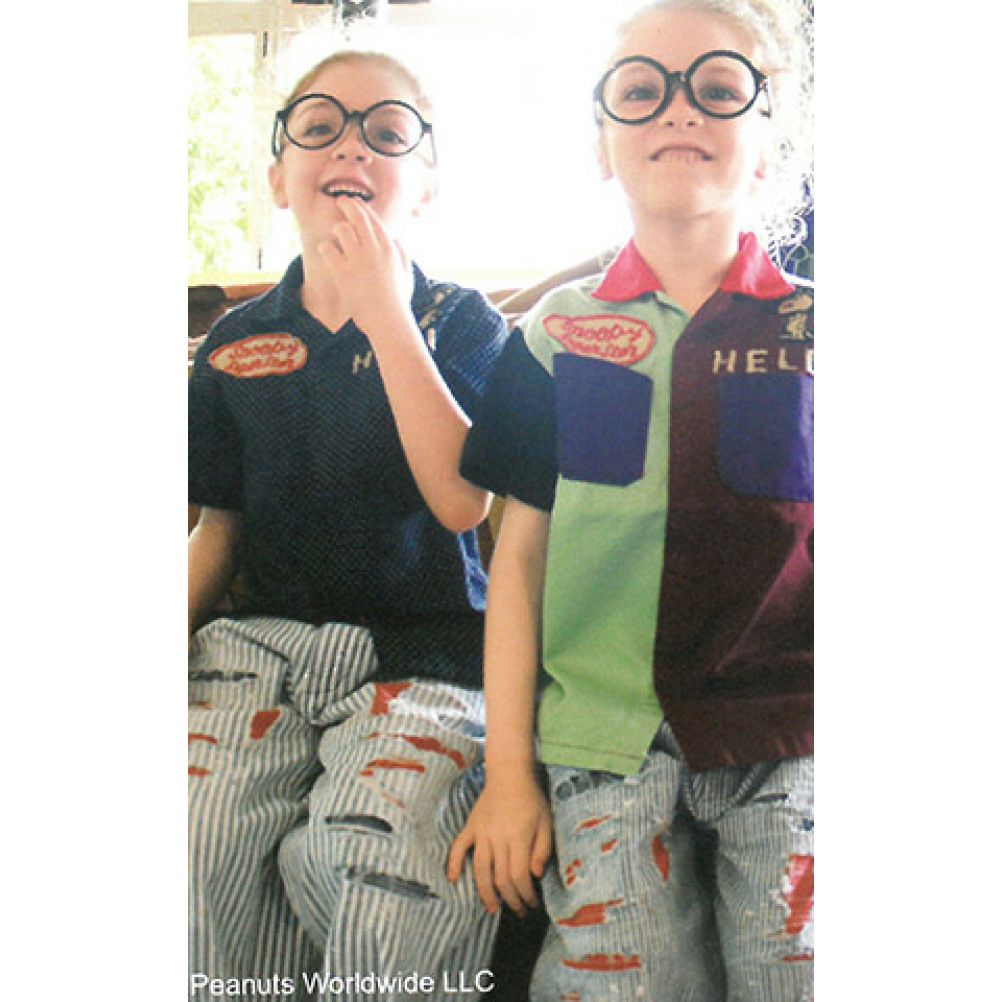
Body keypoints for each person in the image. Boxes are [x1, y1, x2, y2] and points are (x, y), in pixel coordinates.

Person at [446, 1, 814, 999]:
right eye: (643, 90)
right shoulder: (552, 335)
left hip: (791, 736)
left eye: (719, 88)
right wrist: (509, 776)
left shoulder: (822, 333)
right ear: (602, 141)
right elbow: (517, 564)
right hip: (601, 743)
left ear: (770, 140)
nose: (679, 108)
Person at [188, 49, 508, 1001]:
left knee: (384, 857)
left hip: (421, 654)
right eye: (320, 127)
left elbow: (463, 501)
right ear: (277, 176)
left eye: (387, 132)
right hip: (260, 648)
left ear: (428, 181)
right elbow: (216, 531)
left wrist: (383, 311)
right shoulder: (234, 344)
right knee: (199, 838)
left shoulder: (463, 322)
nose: (352, 148)